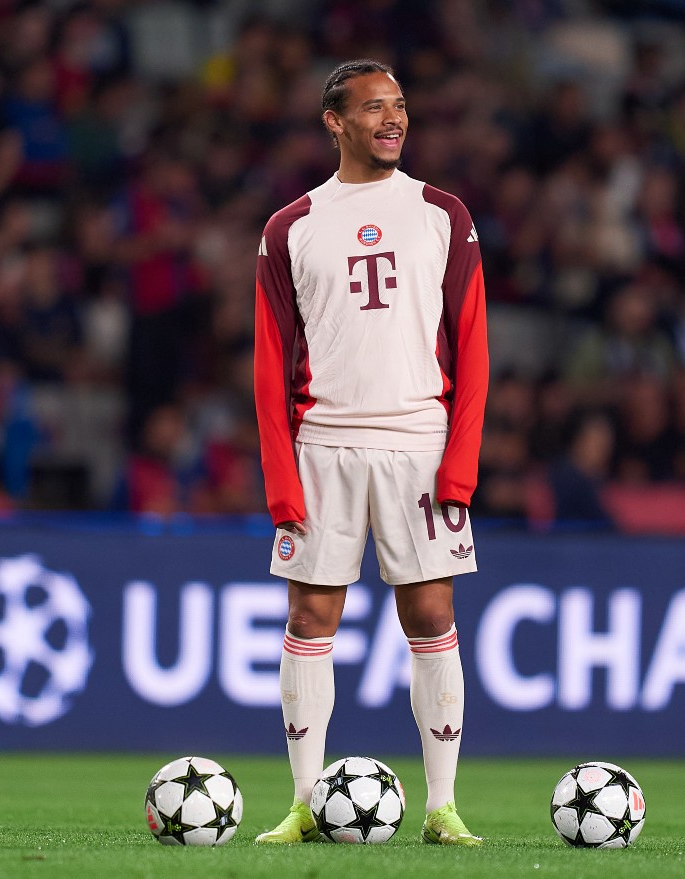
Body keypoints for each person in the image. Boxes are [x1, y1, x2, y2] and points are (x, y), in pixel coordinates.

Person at [252, 60, 488, 847]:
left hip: (419, 444)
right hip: (323, 444)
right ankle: (304, 801)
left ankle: (442, 805)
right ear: (334, 121)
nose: (393, 119)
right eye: (374, 108)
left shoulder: (442, 214)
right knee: (310, 613)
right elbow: (267, 360)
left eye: (400, 107)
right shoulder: (292, 225)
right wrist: (280, 474)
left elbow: (475, 348)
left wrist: (462, 462)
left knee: (431, 611)